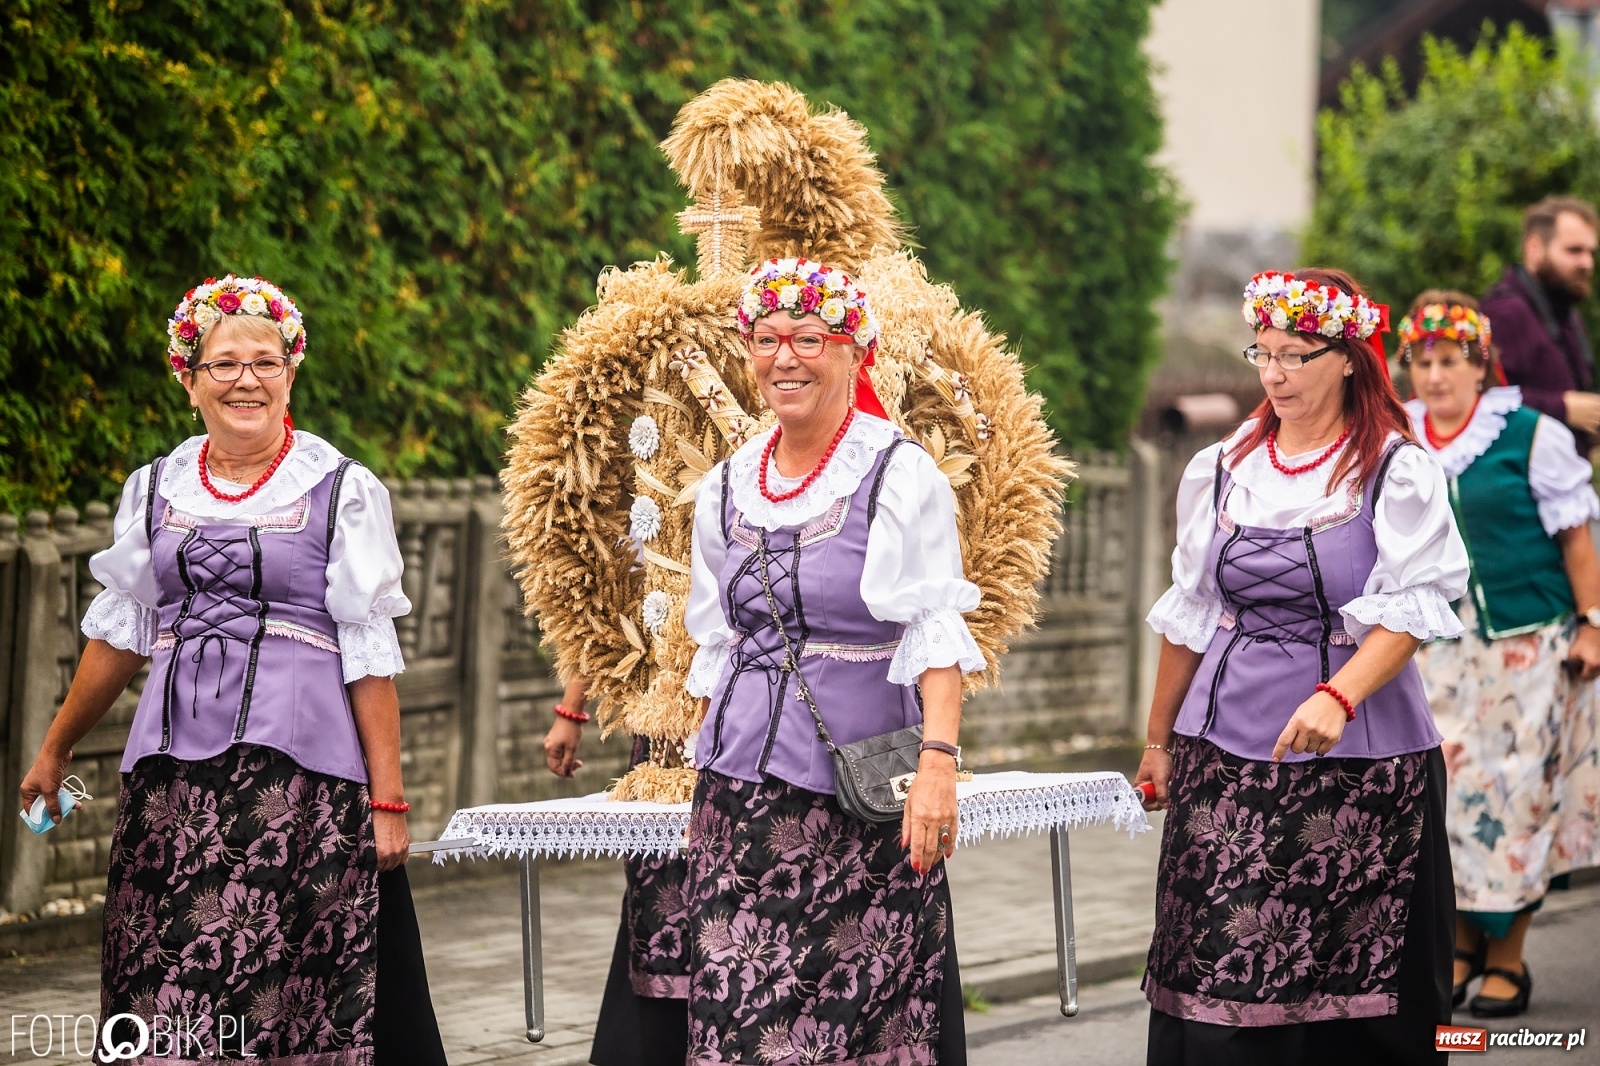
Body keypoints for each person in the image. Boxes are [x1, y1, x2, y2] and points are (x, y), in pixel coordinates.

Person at [18, 275, 446, 1064]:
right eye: (223, 363)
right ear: (189, 380)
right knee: (164, 992)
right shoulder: (155, 489)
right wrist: (55, 749)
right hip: (170, 792)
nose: (246, 378)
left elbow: (370, 651)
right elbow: (121, 634)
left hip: (297, 791)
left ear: (291, 373)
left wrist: (389, 798)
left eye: (266, 361)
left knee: (273, 999)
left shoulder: (341, 489)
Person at [1136, 268, 1470, 1064]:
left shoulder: (1395, 468)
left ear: (1350, 356)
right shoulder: (1221, 467)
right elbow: (1191, 610)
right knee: (1215, 956)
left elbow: (1413, 608)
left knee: (1350, 970)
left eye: (1296, 356)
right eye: (1264, 353)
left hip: (1358, 759)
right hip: (1223, 751)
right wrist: (1158, 741)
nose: (1275, 375)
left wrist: (1340, 694)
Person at [682, 258, 983, 1064]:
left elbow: (935, 632)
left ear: (855, 352)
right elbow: (718, 644)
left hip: (859, 802)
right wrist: (701, 772)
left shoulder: (898, 472)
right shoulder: (724, 485)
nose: (786, 358)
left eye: (810, 338)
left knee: (854, 1023)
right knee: (738, 1017)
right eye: (767, 339)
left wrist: (939, 766)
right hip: (738, 802)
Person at [1399, 292, 1600, 1018]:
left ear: (1481, 365)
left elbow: (1578, 539)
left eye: (1449, 360)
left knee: (1515, 800)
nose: (1434, 376)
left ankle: (1508, 958)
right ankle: (1456, 948)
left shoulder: (1528, 434)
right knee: (1445, 803)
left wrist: (1594, 625)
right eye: (1422, 361)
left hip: (1528, 646)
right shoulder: (1397, 437)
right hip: (1435, 653)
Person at [542, 678, 691, 1066]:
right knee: (659, 894)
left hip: (751, 717)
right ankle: (656, 1044)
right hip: (665, 734)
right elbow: (600, 621)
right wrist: (570, 712)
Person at [1481, 196, 1600, 453]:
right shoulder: (1505, 311)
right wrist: (1564, 408)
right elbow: (1482, 398)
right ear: (1534, 249)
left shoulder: (1564, 311)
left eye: (1591, 252)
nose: (1587, 263)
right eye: (1574, 251)